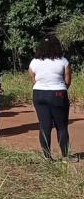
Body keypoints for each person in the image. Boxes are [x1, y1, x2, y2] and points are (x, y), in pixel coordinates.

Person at [28, 35, 78, 163]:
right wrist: (60, 88)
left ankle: (47, 157)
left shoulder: (34, 61)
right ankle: (65, 156)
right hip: (57, 93)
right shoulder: (63, 61)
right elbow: (67, 80)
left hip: (38, 93)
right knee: (61, 126)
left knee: (44, 126)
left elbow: (33, 78)